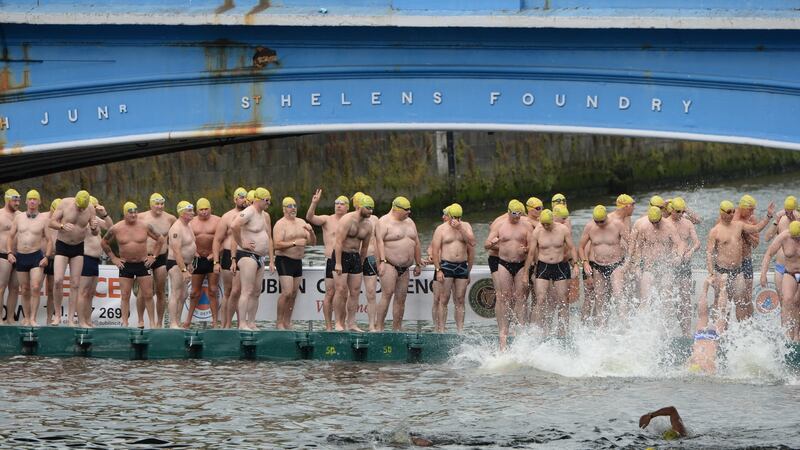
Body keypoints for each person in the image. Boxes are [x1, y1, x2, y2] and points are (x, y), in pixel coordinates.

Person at [707, 200, 773, 324]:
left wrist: (768, 216)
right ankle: (721, 334)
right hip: (722, 273)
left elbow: (756, 228)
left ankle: (743, 332)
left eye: (733, 211)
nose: (732, 214)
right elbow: (709, 253)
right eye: (728, 212)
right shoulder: (715, 231)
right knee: (722, 305)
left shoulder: (738, 225)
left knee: (741, 303)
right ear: (721, 213)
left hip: (738, 272)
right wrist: (711, 273)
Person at [102, 202, 164, 328]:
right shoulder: (116, 228)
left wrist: (154, 257)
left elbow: (160, 239)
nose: (134, 214)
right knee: (125, 295)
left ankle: (152, 323)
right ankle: (124, 323)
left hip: (143, 263)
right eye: (131, 212)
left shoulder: (145, 226)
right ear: (125, 213)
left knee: (148, 294)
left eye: (135, 212)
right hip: (126, 265)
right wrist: (114, 258)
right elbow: (104, 242)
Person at [485, 200, 534, 350]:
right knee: (503, 297)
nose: (517, 218)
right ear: (508, 212)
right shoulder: (500, 225)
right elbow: (486, 245)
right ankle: (503, 331)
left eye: (519, 215)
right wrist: (493, 242)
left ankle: (521, 330)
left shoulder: (526, 226)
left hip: (520, 264)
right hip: (504, 263)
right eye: (514, 215)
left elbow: (533, 249)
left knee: (520, 297)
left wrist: (525, 250)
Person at [376, 196, 424, 331]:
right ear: (396, 209)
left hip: (405, 267)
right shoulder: (384, 222)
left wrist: (418, 262)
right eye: (406, 210)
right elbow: (378, 243)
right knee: (387, 295)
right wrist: (381, 262)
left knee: (401, 298)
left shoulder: (410, 222)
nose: (409, 212)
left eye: (410, 209)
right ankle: (379, 327)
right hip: (390, 264)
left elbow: (416, 242)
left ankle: (397, 328)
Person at [49, 190, 97, 326]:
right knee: (58, 280)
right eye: (79, 207)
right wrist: (62, 225)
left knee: (75, 284)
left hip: (78, 247)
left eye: (83, 208)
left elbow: (95, 232)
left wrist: (94, 228)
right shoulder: (64, 203)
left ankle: (70, 318)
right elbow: (51, 222)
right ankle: (57, 315)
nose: (81, 209)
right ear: (75, 201)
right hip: (62, 245)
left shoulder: (90, 209)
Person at [230, 187, 274, 331]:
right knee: (247, 291)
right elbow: (234, 225)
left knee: (256, 291)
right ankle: (242, 323)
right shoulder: (249, 212)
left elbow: (268, 236)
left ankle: (251, 322)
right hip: (247, 256)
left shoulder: (262, 214)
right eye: (267, 200)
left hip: (260, 257)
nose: (269, 203)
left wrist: (271, 259)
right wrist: (242, 242)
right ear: (258, 200)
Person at [529, 209, 577, 336]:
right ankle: (541, 330)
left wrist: (576, 265)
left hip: (560, 266)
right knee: (540, 299)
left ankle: (563, 331)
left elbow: (572, 247)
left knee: (563, 300)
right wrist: (525, 273)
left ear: (552, 221)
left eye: (548, 224)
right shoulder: (537, 231)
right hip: (543, 266)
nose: (545, 226)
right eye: (543, 224)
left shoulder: (563, 230)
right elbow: (531, 252)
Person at [305, 189, 349, 331]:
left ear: (347, 207)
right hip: (331, 259)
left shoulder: (351, 221)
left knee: (344, 293)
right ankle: (329, 326)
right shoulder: (327, 219)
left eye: (342, 204)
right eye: (336, 203)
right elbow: (310, 217)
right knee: (330, 293)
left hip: (347, 260)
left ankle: (341, 323)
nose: (338, 205)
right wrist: (314, 203)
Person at [578, 205, 629, 325]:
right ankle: (602, 328)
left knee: (618, 294)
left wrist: (628, 263)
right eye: (597, 221)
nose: (600, 224)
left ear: (607, 216)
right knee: (600, 298)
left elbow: (631, 243)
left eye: (602, 221)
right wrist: (585, 263)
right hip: (598, 266)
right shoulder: (590, 227)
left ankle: (626, 325)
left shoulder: (617, 225)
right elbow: (580, 247)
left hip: (616, 265)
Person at [6, 190, 49, 326]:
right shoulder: (19, 218)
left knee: (35, 287)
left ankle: (33, 319)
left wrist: (47, 256)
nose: (32, 201)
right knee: (24, 289)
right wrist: (9, 252)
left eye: (35, 199)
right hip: (21, 256)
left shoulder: (44, 219)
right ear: (26, 201)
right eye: (30, 199)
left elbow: (50, 240)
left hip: (36, 255)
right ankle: (26, 317)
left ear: (39, 202)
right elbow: (10, 236)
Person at [333, 195, 375, 331]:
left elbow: (364, 247)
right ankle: (338, 322)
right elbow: (338, 242)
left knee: (355, 291)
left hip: (355, 257)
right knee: (340, 290)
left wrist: (361, 263)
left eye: (372, 209)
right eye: (368, 208)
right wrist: (338, 263)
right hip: (341, 255)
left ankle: (351, 323)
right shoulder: (347, 220)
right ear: (360, 207)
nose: (371, 212)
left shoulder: (369, 225)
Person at [273, 196, 316, 330]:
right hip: (284, 260)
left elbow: (313, 243)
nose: (293, 208)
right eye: (290, 206)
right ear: (284, 209)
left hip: (298, 261)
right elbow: (277, 245)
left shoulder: (301, 222)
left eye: (295, 206)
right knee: (286, 292)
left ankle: (287, 321)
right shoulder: (280, 224)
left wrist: (311, 232)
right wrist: (294, 243)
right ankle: (279, 322)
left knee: (293, 294)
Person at [431, 203, 475, 332]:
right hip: (446, 265)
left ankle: (460, 330)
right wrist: (438, 270)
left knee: (460, 299)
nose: (456, 220)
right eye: (453, 217)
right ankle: (442, 329)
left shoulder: (466, 226)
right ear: (448, 216)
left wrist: (461, 228)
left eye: (458, 217)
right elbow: (434, 251)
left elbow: (472, 243)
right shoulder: (441, 229)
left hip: (462, 265)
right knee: (443, 299)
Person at [629, 206, 685, 303]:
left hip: (666, 266)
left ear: (661, 218)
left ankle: (665, 317)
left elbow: (680, 244)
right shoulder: (644, 227)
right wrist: (637, 265)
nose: (654, 225)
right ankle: (645, 318)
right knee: (645, 300)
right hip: (649, 267)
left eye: (657, 222)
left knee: (666, 300)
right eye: (652, 222)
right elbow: (639, 247)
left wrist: (679, 256)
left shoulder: (669, 227)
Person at [138, 192, 176, 328]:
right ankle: (141, 320)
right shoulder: (141, 217)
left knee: (160, 291)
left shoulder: (170, 219)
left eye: (162, 204)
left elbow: (177, 236)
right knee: (144, 291)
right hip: (145, 257)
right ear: (151, 204)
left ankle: (159, 323)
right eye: (157, 204)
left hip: (161, 257)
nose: (160, 206)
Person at [213, 187, 248, 328]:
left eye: (245, 197)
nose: (243, 199)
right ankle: (225, 325)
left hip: (245, 255)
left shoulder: (251, 215)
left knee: (242, 292)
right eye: (240, 197)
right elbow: (217, 240)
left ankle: (241, 324)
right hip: (228, 255)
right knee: (228, 292)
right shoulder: (227, 217)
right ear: (234, 199)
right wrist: (216, 261)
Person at [760, 220, 800, 341]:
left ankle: (798, 334)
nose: (797, 240)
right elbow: (768, 254)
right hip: (790, 273)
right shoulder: (784, 236)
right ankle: (788, 335)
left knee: (798, 302)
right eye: (795, 238)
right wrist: (763, 274)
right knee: (787, 300)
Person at [76, 196, 112, 328]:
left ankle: (88, 320)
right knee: (83, 292)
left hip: (95, 260)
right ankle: (81, 321)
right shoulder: (81, 219)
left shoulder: (96, 219)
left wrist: (105, 214)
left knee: (91, 293)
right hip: (85, 257)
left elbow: (110, 228)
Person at [669, 197, 701, 335]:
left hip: (684, 264)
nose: (681, 214)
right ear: (671, 210)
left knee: (685, 299)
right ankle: (668, 331)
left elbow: (697, 243)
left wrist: (691, 251)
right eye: (678, 211)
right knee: (669, 298)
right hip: (669, 265)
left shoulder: (687, 223)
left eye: (683, 211)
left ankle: (686, 332)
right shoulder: (665, 223)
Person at [187, 198, 221, 327]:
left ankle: (214, 321)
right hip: (197, 259)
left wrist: (215, 254)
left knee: (213, 290)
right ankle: (188, 320)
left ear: (210, 209)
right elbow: (186, 240)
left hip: (213, 258)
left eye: (206, 209)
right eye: (201, 209)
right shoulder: (191, 222)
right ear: (197, 210)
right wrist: (192, 252)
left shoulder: (218, 221)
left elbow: (223, 240)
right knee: (194, 292)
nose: (204, 212)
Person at [166, 201, 197, 329]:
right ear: (182, 213)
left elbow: (189, 246)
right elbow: (177, 251)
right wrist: (183, 269)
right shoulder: (176, 228)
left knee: (184, 295)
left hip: (185, 264)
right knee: (176, 293)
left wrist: (189, 264)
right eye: (190, 211)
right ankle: (173, 323)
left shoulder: (188, 225)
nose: (193, 213)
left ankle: (178, 321)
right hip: (176, 264)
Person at [687, 275, 725, 374]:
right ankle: (720, 285)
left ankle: (712, 285)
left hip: (708, 339)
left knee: (718, 314)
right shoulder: (707, 365)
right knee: (710, 315)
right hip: (704, 338)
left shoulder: (695, 363)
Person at [765, 195, 798, 304]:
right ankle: (785, 321)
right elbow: (767, 238)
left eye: (790, 212)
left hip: (796, 268)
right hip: (781, 267)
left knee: (796, 303)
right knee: (783, 301)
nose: (789, 215)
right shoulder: (781, 220)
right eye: (786, 211)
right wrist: (776, 221)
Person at [733, 194, 761, 320]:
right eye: (751, 209)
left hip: (746, 261)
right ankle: (735, 327)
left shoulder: (752, 220)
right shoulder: (729, 217)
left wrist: (746, 235)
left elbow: (756, 244)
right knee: (736, 297)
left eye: (754, 209)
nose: (753, 212)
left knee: (747, 297)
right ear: (742, 208)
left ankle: (750, 325)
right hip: (732, 264)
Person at [426, 205, 452, 331]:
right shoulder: (439, 230)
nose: (443, 217)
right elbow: (431, 247)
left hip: (453, 267)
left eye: (445, 215)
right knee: (437, 298)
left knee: (446, 300)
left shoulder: (460, 229)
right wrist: (431, 256)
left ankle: (443, 326)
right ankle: (437, 326)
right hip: (439, 267)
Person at [0, 189, 21, 325]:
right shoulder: (0, 214)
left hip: (18, 255)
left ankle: (10, 318)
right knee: (1, 287)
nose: (17, 203)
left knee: (14, 288)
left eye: (19, 200)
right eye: (14, 200)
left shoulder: (21, 215)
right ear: (7, 200)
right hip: (2, 254)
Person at [43, 198, 61, 324]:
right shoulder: (43, 218)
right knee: (34, 287)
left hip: (56, 259)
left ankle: (50, 318)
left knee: (52, 290)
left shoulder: (63, 221)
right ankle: (30, 317)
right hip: (41, 257)